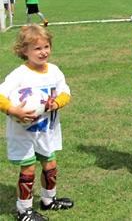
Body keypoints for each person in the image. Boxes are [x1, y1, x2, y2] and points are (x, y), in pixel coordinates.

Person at [0, 24, 74, 221]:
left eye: (46, 47)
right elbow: (1, 94)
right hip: (23, 133)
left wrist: (56, 103)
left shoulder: (54, 71)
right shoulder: (19, 75)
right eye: (37, 48)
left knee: (50, 165)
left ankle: (49, 200)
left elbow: (65, 92)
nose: (43, 52)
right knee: (29, 169)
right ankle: (23, 210)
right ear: (24, 50)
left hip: (46, 131)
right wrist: (13, 109)